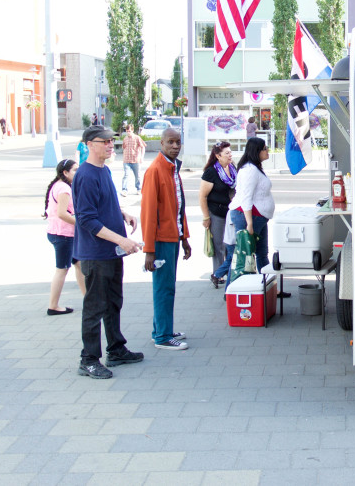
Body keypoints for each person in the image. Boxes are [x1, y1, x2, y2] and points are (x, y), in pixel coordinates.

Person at [72, 124, 143, 379]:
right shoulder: (86, 175)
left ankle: (116, 349)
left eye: (112, 141)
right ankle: (89, 359)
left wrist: (124, 214)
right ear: (89, 144)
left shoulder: (103, 171)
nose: (111, 145)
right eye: (105, 141)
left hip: (112, 252)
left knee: (113, 302)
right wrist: (122, 241)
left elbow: (104, 204)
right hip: (96, 254)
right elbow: (87, 220)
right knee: (95, 307)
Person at [140, 128, 192, 350]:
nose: (175, 146)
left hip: (172, 238)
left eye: (178, 142)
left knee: (166, 286)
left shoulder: (172, 169)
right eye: (170, 142)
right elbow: (148, 214)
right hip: (161, 241)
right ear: (161, 143)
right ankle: (162, 337)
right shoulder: (155, 171)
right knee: (164, 288)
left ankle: (161, 330)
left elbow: (179, 208)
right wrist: (149, 250)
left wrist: (185, 238)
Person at [44, 159, 87, 316]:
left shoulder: (62, 186)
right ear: (65, 172)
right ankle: (53, 306)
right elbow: (62, 213)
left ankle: (88, 299)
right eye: (75, 170)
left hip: (63, 234)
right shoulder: (63, 188)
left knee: (79, 264)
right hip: (62, 235)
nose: (78, 172)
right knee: (62, 269)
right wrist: (81, 224)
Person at [228, 137, 274, 272]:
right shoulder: (250, 170)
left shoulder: (254, 168)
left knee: (262, 253)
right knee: (243, 256)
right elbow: (246, 198)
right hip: (249, 217)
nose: (267, 151)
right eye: (265, 148)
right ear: (257, 151)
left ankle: (267, 288)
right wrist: (249, 224)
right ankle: (231, 291)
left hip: (259, 217)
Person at [199, 141, 236, 288]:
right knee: (219, 245)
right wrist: (206, 217)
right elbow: (202, 196)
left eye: (230, 152)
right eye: (226, 153)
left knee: (229, 245)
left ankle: (224, 272)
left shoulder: (232, 168)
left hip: (230, 213)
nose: (230, 155)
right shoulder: (211, 172)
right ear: (217, 156)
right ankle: (217, 274)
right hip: (216, 212)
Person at [120, 124, 146, 197]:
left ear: (132, 130)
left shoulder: (137, 138)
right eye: (127, 131)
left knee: (137, 175)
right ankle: (124, 189)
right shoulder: (125, 138)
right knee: (126, 175)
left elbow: (143, 147)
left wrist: (141, 156)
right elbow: (124, 147)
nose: (128, 133)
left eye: (130, 131)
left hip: (135, 160)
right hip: (126, 160)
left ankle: (138, 188)